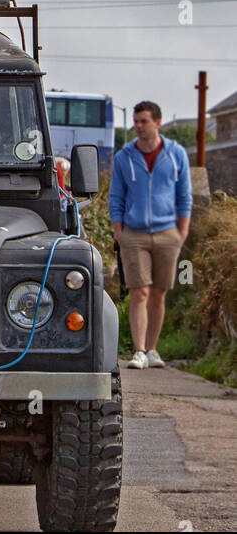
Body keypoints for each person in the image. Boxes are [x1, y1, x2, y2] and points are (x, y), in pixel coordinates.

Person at [109, 101, 193, 371]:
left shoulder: (176, 154)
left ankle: (153, 349)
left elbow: (185, 195)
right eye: (136, 121)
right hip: (134, 233)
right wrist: (119, 230)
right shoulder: (124, 157)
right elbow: (115, 196)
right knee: (139, 292)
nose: (138, 126)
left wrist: (182, 231)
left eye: (143, 121)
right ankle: (139, 351)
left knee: (158, 294)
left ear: (157, 122)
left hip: (168, 232)